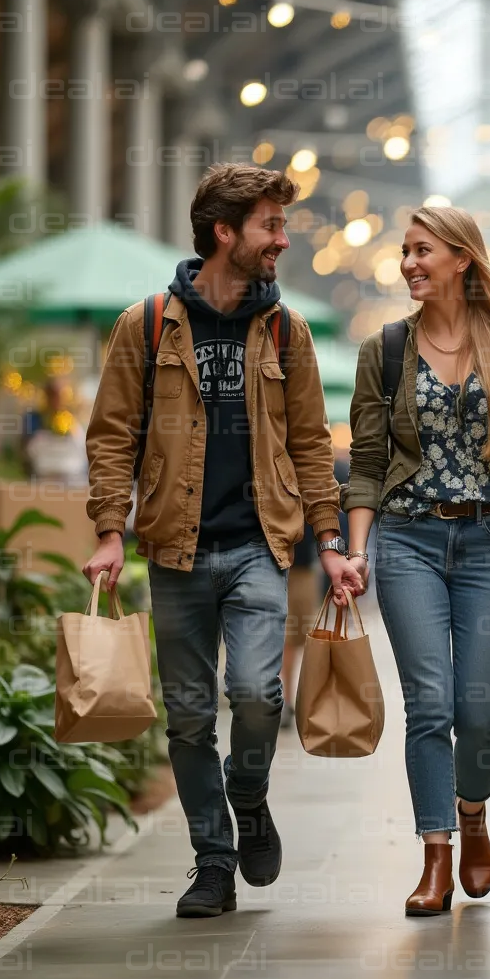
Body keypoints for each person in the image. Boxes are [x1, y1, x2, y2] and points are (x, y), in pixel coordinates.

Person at [82, 163, 363, 918]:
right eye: (271, 226)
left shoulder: (286, 330)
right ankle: (213, 861)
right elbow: (112, 436)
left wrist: (330, 540)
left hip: (259, 547)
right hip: (173, 548)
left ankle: (251, 796)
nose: (282, 239)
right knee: (190, 715)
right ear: (224, 233)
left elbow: (310, 443)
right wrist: (111, 530)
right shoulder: (145, 324)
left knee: (257, 693)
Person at [344, 204, 490, 916]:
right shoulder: (384, 350)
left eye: (422, 250)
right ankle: (435, 852)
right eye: (404, 252)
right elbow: (368, 462)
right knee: (429, 704)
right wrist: (356, 548)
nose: (408, 263)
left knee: (479, 708)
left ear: (462, 258)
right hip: (408, 539)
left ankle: (473, 815)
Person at [280, 526, 318, 730]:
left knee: (300, 637)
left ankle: (290, 698)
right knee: (286, 638)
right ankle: (284, 699)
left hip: (304, 564)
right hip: (273, 561)